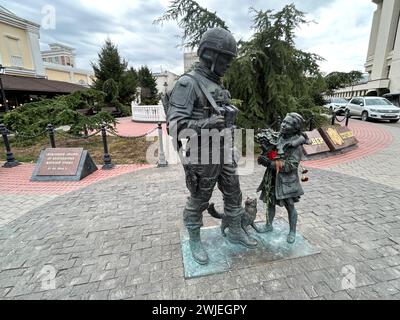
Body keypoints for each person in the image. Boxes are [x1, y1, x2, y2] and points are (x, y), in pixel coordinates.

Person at [167, 27, 258, 265]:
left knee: (233, 192)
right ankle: (195, 240)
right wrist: (207, 123)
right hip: (201, 153)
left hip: (224, 149)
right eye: (226, 59)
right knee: (199, 198)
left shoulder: (216, 84)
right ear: (211, 55)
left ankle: (236, 230)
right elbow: (175, 126)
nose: (228, 64)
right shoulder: (188, 83)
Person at [256, 113, 309, 244]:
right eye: (283, 122)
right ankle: (268, 225)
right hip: (272, 178)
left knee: (290, 206)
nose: (283, 125)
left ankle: (292, 231)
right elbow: (273, 151)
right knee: (269, 203)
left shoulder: (296, 144)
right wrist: (265, 155)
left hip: (287, 181)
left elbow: (292, 164)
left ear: (295, 128)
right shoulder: (279, 136)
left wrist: (270, 164)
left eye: (288, 124)